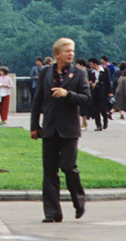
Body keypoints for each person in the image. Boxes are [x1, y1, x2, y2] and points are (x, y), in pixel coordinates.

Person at [29, 37, 90, 223]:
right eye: (67, 51)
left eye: (72, 50)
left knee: (68, 166)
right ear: (57, 54)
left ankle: (79, 200)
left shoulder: (79, 74)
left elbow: (87, 98)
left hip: (69, 129)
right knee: (49, 171)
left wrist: (68, 94)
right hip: (49, 128)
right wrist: (34, 126)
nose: (71, 54)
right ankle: (52, 213)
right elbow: (37, 100)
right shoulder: (45, 72)